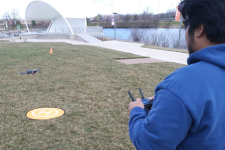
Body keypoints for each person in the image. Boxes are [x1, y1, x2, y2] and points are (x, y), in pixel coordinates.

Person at [128, 0, 225, 149]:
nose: (185, 33)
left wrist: (136, 111)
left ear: (199, 29)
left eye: (186, 25)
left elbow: (149, 144)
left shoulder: (181, 86)